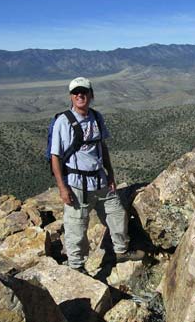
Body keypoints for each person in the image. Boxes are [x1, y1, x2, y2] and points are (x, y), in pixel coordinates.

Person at [51, 76, 144, 274]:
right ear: (71, 97)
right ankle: (76, 266)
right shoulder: (63, 122)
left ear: (91, 95)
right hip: (78, 184)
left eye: (84, 92)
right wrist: (62, 187)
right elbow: (55, 156)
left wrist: (110, 174)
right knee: (76, 226)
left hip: (100, 180)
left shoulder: (96, 117)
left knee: (117, 214)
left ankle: (120, 251)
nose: (80, 95)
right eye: (76, 92)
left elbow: (102, 147)